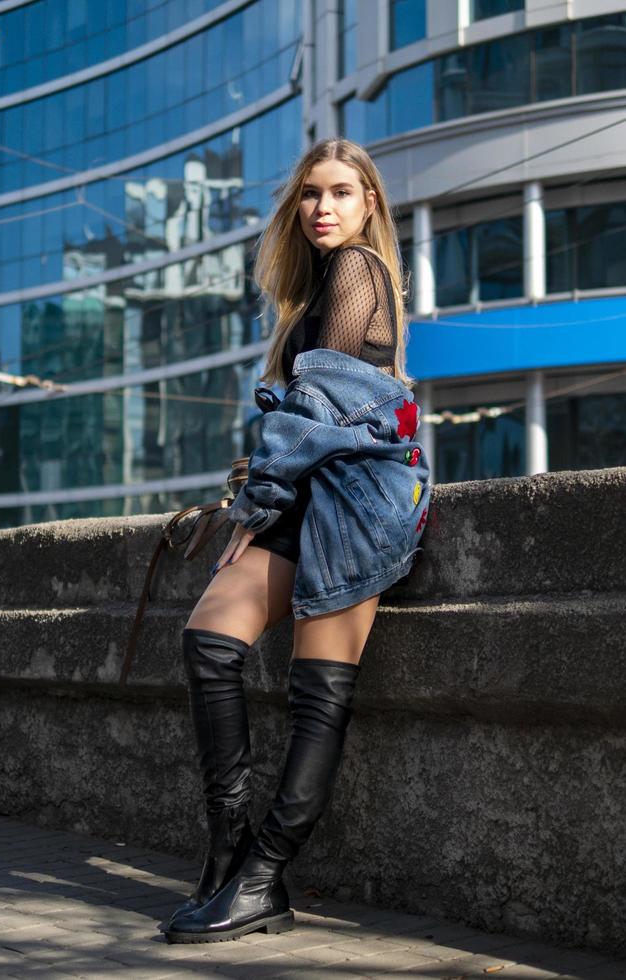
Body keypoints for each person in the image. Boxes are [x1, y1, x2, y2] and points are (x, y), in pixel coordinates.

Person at [161, 138, 431, 944]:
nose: (323, 208)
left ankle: (261, 876)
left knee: (320, 693)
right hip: (310, 488)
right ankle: (226, 854)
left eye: (341, 193)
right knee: (210, 639)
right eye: (311, 194)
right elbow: (320, 411)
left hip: (354, 504)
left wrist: (255, 504)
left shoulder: (357, 272)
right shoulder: (314, 290)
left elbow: (319, 414)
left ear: (368, 204)